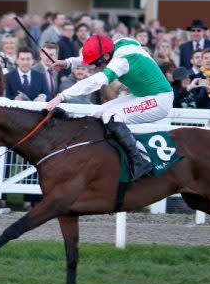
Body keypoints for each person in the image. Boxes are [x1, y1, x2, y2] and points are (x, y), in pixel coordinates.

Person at [47, 35, 174, 180]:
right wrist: (67, 63)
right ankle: (110, 158)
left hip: (160, 99)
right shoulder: (118, 44)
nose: (95, 67)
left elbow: (94, 82)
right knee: (99, 113)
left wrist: (62, 96)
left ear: (107, 56)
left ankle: (140, 162)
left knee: (113, 116)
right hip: (143, 95)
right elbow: (88, 56)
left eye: (97, 64)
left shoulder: (121, 62)